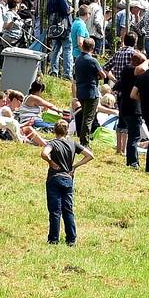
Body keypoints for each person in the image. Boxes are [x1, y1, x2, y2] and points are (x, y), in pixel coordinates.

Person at [42, 118, 92, 246]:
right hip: (68, 179)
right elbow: (89, 155)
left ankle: (53, 239)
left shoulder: (53, 143)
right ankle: (71, 239)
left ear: (54, 131)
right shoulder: (72, 143)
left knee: (55, 211)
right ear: (67, 131)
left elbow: (44, 153)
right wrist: (75, 166)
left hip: (54, 178)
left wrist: (51, 162)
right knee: (68, 210)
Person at [70, 37, 104, 145]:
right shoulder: (93, 60)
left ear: (83, 46)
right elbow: (103, 75)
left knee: (85, 116)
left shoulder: (78, 59)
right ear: (93, 48)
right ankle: (84, 142)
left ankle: (82, 138)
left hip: (81, 91)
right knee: (88, 118)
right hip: (91, 92)